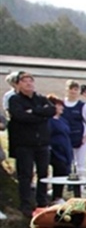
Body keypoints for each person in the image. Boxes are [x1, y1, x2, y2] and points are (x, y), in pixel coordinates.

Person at [7, 71, 55, 214]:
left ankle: (42, 201)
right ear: (18, 84)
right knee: (25, 175)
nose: (29, 84)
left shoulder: (40, 98)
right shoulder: (15, 100)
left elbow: (51, 111)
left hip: (42, 143)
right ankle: (26, 204)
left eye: (31, 81)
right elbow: (20, 116)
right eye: (24, 81)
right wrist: (40, 115)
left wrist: (33, 111)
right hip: (24, 144)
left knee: (43, 174)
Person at [45, 95, 74, 201]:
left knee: (64, 172)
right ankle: (56, 196)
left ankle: (59, 193)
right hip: (55, 150)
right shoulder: (49, 121)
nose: (62, 108)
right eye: (59, 105)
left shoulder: (63, 120)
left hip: (65, 148)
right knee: (59, 170)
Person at [63, 80, 86, 172]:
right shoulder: (61, 104)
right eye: (71, 89)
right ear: (67, 90)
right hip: (66, 139)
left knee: (80, 164)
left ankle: (81, 186)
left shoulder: (83, 106)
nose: (73, 91)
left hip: (80, 138)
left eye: (76, 89)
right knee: (66, 163)